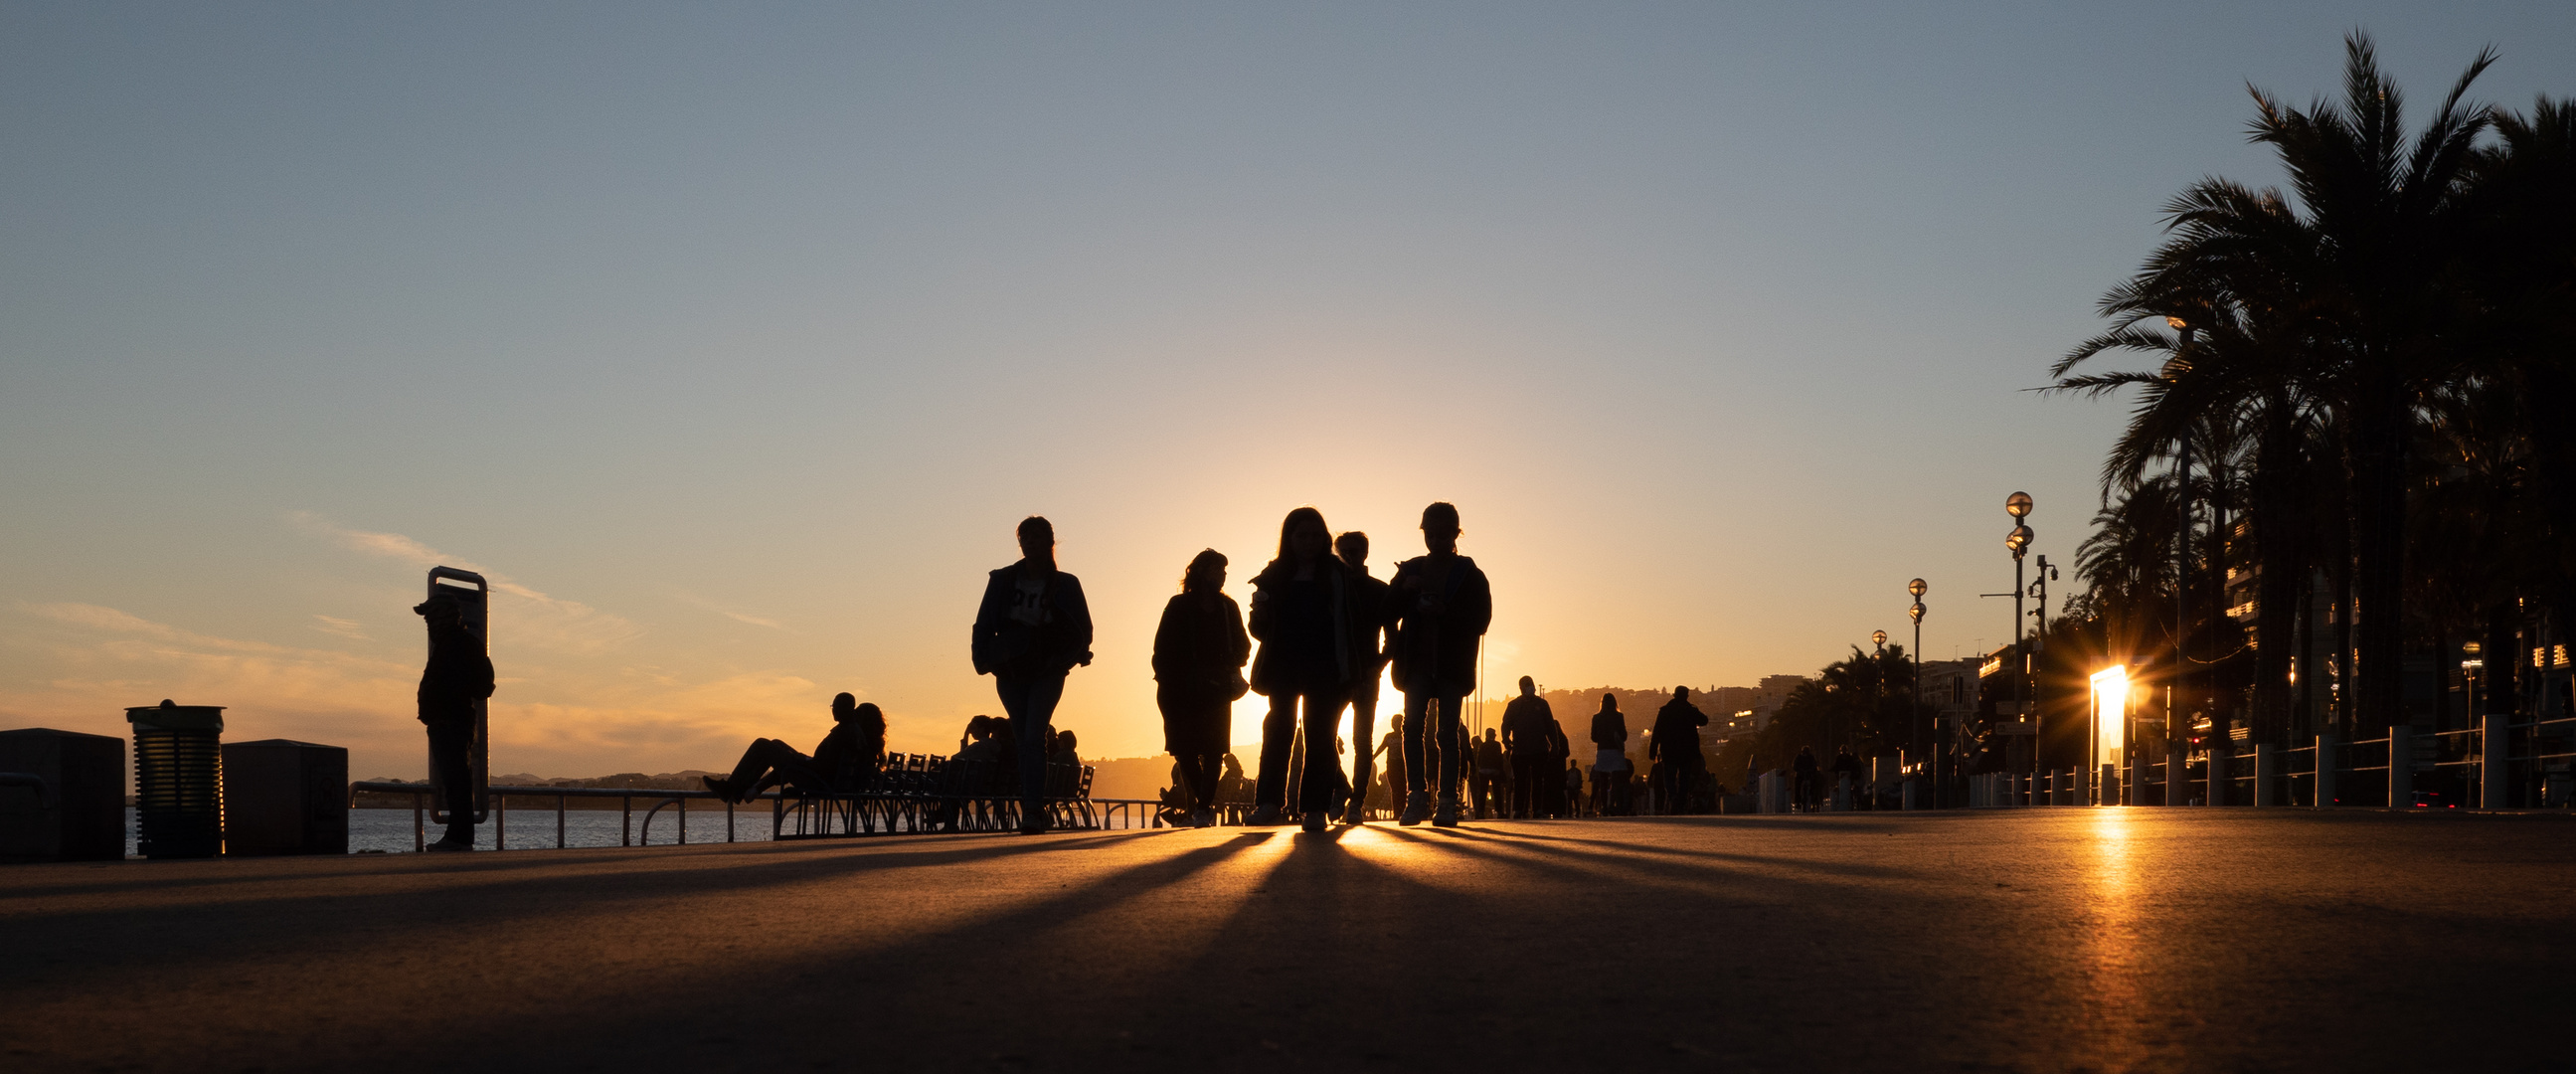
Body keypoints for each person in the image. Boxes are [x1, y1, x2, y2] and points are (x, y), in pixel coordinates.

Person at [1247, 506, 1375, 832]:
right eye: (1301, 536)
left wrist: (1357, 669)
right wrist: (1258, 616)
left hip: (1326, 666)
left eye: (1315, 536)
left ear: (1324, 539)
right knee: (1278, 731)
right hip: (1283, 665)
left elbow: (1353, 623)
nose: (1308, 542)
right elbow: (1261, 632)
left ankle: (1315, 808)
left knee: (1321, 735)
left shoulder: (1338, 574)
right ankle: (1268, 802)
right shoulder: (1274, 575)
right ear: (1288, 538)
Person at [971, 515, 1095, 835]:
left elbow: (1084, 628)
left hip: (1047, 668)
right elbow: (983, 623)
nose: (1030, 544)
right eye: (1025, 538)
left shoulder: (1067, 584)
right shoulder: (1001, 580)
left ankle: (1032, 810)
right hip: (1010, 667)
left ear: (1049, 542)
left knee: (1033, 736)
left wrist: (1065, 660)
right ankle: (1032, 808)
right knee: (1024, 736)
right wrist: (982, 659)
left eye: (1036, 538)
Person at [1388, 501, 1492, 827]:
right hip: (1417, 663)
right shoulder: (1410, 570)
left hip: (1450, 664)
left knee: (1446, 732)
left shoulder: (1470, 575)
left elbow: (1481, 620)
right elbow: (1387, 610)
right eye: (1429, 534)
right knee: (1413, 728)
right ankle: (1417, 796)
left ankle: (1446, 799)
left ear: (1454, 533)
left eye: (1440, 534)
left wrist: (1444, 612)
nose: (1433, 540)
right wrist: (1405, 592)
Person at [1153, 548, 1250, 829]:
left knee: (1214, 750)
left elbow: (1243, 645)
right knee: (1184, 750)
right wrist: (1167, 678)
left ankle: (1204, 807)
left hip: (1217, 688)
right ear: (1202, 572)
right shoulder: (1178, 605)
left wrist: (1229, 664)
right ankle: (1202, 804)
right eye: (1218, 569)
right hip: (1180, 689)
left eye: (1224, 570)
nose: (1223, 575)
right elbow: (1162, 647)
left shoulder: (1228, 607)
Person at [414, 592, 495, 852]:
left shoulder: (459, 644)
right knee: (454, 779)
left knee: (457, 779)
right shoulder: (450, 643)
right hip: (444, 721)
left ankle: (459, 837)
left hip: (452, 721)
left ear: (443, 617)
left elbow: (484, 686)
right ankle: (457, 835)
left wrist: (453, 689)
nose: (428, 624)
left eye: (431, 618)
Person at [702, 694, 887, 804]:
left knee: (763, 744)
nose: (833, 710)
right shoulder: (856, 736)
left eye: (835, 706)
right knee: (776, 744)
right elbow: (829, 764)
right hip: (820, 777)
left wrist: (801, 761)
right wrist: (802, 759)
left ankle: (733, 788)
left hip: (817, 782)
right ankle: (746, 789)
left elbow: (824, 768)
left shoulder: (844, 733)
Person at [1334, 531, 1395, 825]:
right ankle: (1341, 788)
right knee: (1321, 737)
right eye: (1342, 552)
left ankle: (1355, 800)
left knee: (1362, 741)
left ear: (1365, 553)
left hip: (1367, 675)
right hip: (1334, 674)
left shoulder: (1378, 591)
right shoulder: (1330, 590)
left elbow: (1393, 639)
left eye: (1354, 552)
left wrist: (1376, 667)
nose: (1348, 557)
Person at [1648, 686, 1708, 814]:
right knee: (1684, 778)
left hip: (1669, 750)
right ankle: (1680, 802)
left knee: (1669, 777)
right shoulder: (1690, 710)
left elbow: (1657, 731)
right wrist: (1695, 709)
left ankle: (1672, 797)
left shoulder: (1665, 711)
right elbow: (1704, 721)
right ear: (1686, 696)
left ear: (1674, 695)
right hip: (1687, 750)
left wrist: (1653, 750)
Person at [1499, 677, 1553, 819]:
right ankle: (1520, 809)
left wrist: (1555, 744)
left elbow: (1550, 727)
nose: (1530, 687)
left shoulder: (1541, 704)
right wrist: (1506, 741)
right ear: (1521, 688)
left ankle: (1535, 809)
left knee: (1536, 781)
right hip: (1521, 750)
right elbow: (1505, 725)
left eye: (1531, 685)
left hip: (1537, 749)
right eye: (1527, 685)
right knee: (1521, 781)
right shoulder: (1515, 705)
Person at [1590, 693, 1631, 815]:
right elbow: (1624, 736)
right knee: (1615, 780)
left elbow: (1594, 737)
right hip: (1615, 751)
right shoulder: (1619, 716)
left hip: (1602, 751)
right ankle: (1613, 804)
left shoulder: (1596, 717)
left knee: (1602, 781)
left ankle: (1604, 806)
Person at [1373, 716, 1405, 820]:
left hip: (1402, 766)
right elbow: (1381, 747)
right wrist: (1373, 757)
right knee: (1394, 789)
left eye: (1396, 722)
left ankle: (1402, 811)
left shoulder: (1405, 735)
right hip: (1391, 766)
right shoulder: (1388, 736)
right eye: (1393, 722)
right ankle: (1396, 812)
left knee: (1402, 788)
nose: (1394, 724)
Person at [1471, 729, 1505, 819]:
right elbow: (1499, 759)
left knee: (1483, 792)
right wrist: (1501, 771)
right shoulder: (1497, 745)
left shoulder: (1482, 745)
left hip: (1483, 770)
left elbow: (1479, 759)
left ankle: (1481, 812)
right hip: (1495, 771)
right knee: (1497, 792)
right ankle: (1499, 811)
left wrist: (1478, 769)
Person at [1794, 746, 1822, 813]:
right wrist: (1800, 771)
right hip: (1801, 775)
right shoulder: (1799, 757)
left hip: (1809, 775)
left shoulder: (1811, 757)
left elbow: (1814, 766)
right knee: (1797, 786)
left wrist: (1810, 771)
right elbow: (1795, 766)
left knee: (1814, 785)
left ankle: (1814, 799)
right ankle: (1797, 801)